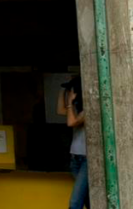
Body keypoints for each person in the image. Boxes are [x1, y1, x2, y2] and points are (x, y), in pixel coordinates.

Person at [57, 75, 88, 209]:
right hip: (75, 159)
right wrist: (63, 90)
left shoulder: (89, 110)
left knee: (75, 203)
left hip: (87, 160)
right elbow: (60, 110)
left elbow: (71, 122)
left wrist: (69, 101)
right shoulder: (76, 109)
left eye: (72, 90)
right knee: (87, 199)